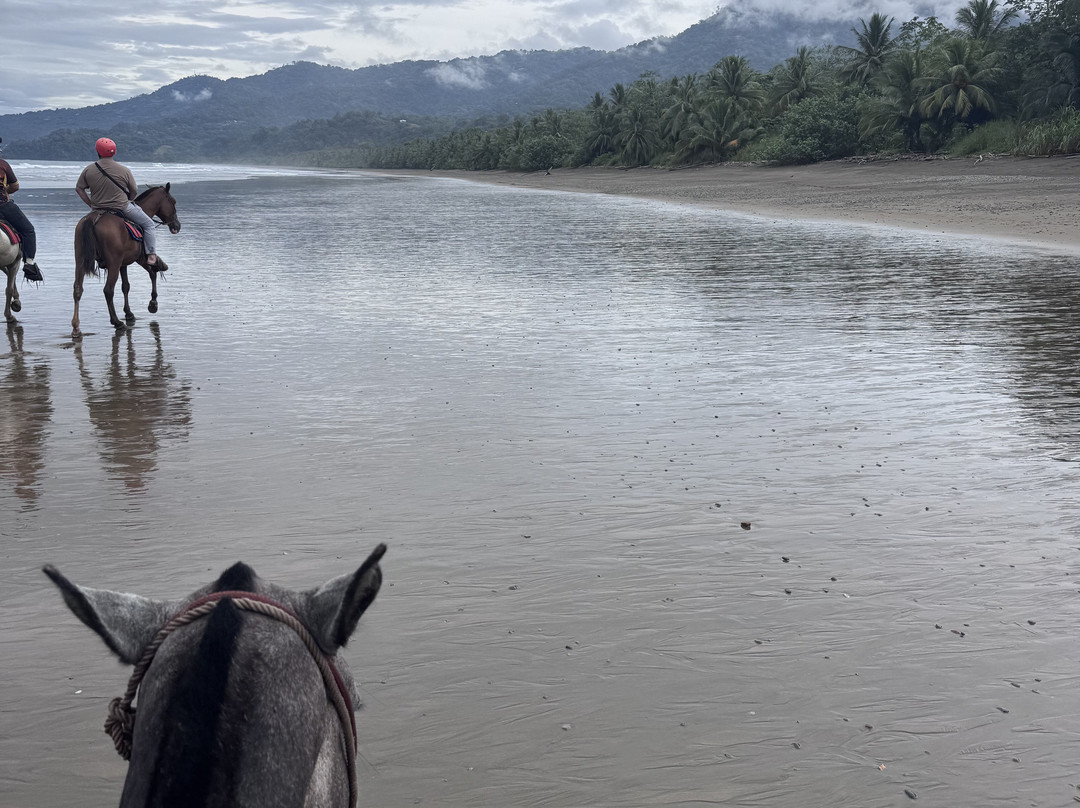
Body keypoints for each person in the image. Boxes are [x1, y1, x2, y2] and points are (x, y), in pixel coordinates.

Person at [75, 137, 162, 267]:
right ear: (114, 152)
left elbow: (79, 189)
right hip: (122, 207)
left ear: (97, 151)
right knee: (149, 224)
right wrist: (129, 199)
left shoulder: (88, 169)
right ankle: (151, 255)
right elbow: (134, 190)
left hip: (98, 209)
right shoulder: (124, 170)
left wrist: (90, 204)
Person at [0, 136, 44, 282]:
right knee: (28, 230)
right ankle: (29, 264)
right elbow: (15, 186)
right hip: (3, 206)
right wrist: (5, 190)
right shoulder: (3, 165)